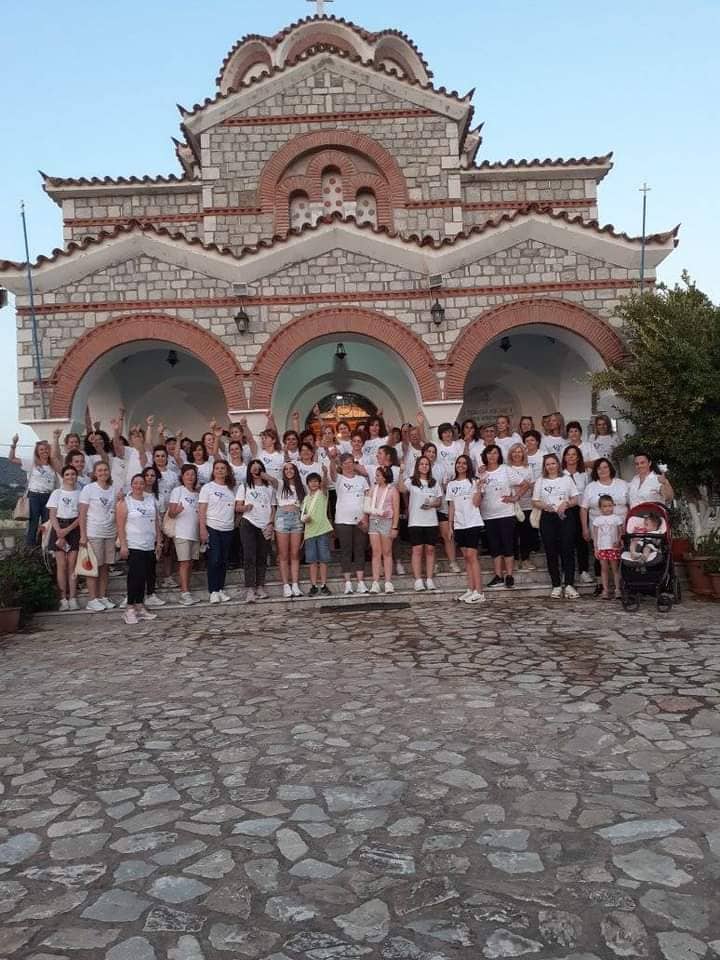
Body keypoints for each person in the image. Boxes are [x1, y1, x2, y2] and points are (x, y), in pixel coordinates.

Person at [478, 444, 530, 588]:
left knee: (508, 544)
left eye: (495, 453)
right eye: (489, 453)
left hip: (506, 514)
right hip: (488, 515)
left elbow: (525, 484)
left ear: (499, 455)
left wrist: (515, 497)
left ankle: (509, 575)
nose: (492, 456)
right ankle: (498, 575)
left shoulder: (506, 469)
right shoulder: (481, 472)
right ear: (485, 456)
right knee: (494, 546)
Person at [532, 453, 580, 599]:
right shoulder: (540, 481)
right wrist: (545, 506)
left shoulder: (566, 479)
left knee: (567, 549)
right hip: (548, 517)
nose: (551, 466)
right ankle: (556, 585)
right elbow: (535, 501)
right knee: (550, 550)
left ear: (558, 464)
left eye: (553, 463)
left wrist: (566, 504)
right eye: (547, 464)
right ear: (544, 467)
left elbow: (575, 498)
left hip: (565, 516)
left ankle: (569, 584)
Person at [117, 473, 161, 625]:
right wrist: (123, 545)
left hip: (149, 544)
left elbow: (156, 522)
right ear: (131, 485)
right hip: (134, 544)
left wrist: (159, 542)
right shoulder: (125, 502)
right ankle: (129, 608)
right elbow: (120, 526)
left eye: (141, 483)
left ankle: (140, 606)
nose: (138, 486)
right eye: (135, 483)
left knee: (144, 577)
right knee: (135, 577)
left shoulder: (150, 500)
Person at [581, 458, 630, 590]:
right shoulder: (591, 487)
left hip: (620, 529)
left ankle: (623, 585)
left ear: (610, 468)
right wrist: (585, 529)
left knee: (622, 557)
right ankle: (602, 585)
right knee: (600, 558)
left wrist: (629, 526)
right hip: (599, 530)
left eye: (605, 467)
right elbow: (584, 508)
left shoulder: (622, 484)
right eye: (599, 468)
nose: (602, 470)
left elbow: (630, 504)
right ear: (595, 471)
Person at [78, 461, 117, 612]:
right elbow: (82, 514)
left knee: (105, 566)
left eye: (105, 470)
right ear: (95, 473)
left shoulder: (113, 489)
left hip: (110, 532)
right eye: (100, 470)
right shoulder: (89, 489)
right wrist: (83, 535)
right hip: (94, 532)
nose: (103, 473)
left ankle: (102, 596)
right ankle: (92, 599)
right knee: (94, 566)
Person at [445, 454, 485, 604]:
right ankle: (470, 588)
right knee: (466, 557)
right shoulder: (451, 485)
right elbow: (451, 506)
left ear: (468, 466)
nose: (461, 465)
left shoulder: (474, 481)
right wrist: (450, 526)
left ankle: (479, 591)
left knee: (472, 556)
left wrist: (479, 489)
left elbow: (476, 503)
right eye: (458, 463)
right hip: (459, 524)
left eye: (464, 463)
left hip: (473, 522)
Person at [236, 458, 276, 602]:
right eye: (253, 468)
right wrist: (245, 508)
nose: (256, 470)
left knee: (262, 556)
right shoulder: (244, 486)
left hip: (265, 524)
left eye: (258, 468)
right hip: (249, 523)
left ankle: (260, 586)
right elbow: (237, 507)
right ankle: (250, 589)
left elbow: (273, 507)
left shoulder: (269, 488)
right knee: (249, 556)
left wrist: (271, 523)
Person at [400, 454, 442, 591]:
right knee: (417, 550)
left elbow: (439, 501)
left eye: (426, 464)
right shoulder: (411, 481)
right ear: (417, 466)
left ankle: (429, 579)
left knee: (430, 550)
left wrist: (432, 504)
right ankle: (418, 580)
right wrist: (401, 473)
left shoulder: (434, 482)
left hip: (431, 521)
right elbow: (401, 489)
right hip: (415, 521)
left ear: (430, 467)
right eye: (421, 464)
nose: (424, 466)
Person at [331, 452, 370, 594]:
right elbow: (332, 473)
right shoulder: (339, 479)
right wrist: (332, 459)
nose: (348, 465)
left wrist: (365, 518)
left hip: (360, 521)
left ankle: (360, 582)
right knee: (346, 550)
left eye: (350, 462)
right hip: (343, 520)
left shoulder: (362, 480)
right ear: (341, 465)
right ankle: (347, 582)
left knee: (360, 550)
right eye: (345, 463)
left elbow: (367, 499)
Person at [198, 460, 237, 603]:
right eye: (217, 468)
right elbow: (202, 509)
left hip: (228, 529)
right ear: (213, 471)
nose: (220, 470)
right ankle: (213, 591)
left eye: (223, 468)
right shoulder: (207, 488)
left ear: (227, 471)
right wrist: (202, 528)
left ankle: (220, 589)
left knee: (223, 560)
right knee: (214, 559)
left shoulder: (231, 489)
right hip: (212, 527)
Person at [9, 435, 57, 545]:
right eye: (41, 449)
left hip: (49, 496)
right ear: (37, 452)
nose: (44, 451)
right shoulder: (32, 463)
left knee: (47, 522)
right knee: (33, 522)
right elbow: (12, 459)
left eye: (46, 449)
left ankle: (43, 546)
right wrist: (14, 444)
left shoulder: (53, 465)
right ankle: (30, 547)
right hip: (34, 495)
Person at [422, 441, 459, 574]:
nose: (431, 454)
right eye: (429, 451)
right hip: (425, 508)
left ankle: (452, 562)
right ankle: (433, 564)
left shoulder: (441, 467)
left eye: (433, 452)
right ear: (423, 453)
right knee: (429, 538)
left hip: (441, 506)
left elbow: (445, 486)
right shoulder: (418, 467)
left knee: (447, 535)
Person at [47, 464, 81, 610]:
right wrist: (59, 531)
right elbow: (52, 514)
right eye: (67, 474)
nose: (70, 477)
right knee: (61, 565)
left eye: (73, 474)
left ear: (76, 476)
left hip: (74, 528)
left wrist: (68, 530)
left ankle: (73, 597)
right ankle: (63, 599)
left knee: (72, 565)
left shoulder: (80, 493)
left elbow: (81, 516)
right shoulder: (57, 493)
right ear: (63, 476)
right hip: (58, 527)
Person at [167, 464, 200, 605]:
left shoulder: (197, 494)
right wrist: (177, 511)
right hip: (182, 532)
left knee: (190, 563)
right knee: (184, 562)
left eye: (193, 474)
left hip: (195, 532)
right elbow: (171, 513)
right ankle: (184, 593)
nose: (190, 477)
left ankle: (187, 591)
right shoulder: (178, 490)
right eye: (187, 474)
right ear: (182, 476)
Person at [366, 465, 400, 594]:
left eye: (378, 475)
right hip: (374, 521)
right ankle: (375, 582)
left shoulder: (392, 490)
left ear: (385, 477)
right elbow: (366, 507)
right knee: (376, 552)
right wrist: (378, 512)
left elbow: (396, 510)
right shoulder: (372, 489)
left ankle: (388, 581)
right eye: (376, 475)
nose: (376, 477)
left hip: (387, 522)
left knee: (387, 552)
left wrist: (395, 527)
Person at [562, 444, 593, 585]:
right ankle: (566, 571)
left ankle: (583, 571)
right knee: (566, 541)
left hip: (581, 510)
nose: (571, 457)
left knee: (582, 541)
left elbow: (588, 493)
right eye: (568, 454)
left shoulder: (585, 474)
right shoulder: (560, 474)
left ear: (578, 457)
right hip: (566, 510)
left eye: (574, 454)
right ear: (564, 457)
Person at [274, 462, 306, 598]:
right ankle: (286, 585)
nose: (288, 471)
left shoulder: (301, 486)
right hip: (282, 517)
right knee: (283, 554)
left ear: (295, 470)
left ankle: (295, 584)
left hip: (297, 518)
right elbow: (270, 479)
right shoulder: (280, 484)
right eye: (286, 469)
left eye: (291, 468)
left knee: (295, 553)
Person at [301, 470, 333, 595]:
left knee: (324, 560)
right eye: (311, 482)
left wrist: (325, 473)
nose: (313, 484)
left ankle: (324, 584)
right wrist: (305, 518)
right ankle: (313, 585)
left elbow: (325, 485)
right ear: (307, 484)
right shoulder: (305, 498)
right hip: (309, 533)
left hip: (322, 530)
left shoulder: (322, 494)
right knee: (312, 561)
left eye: (316, 481)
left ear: (319, 483)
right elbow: (303, 514)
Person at [506, 443, 536, 572]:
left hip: (527, 504)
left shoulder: (528, 468)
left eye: (519, 452)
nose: (517, 454)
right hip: (511, 506)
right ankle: (514, 559)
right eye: (514, 452)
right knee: (512, 534)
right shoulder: (506, 468)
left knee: (526, 533)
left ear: (523, 454)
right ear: (510, 454)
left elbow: (532, 485)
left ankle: (525, 559)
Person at [592, 494, 624, 598]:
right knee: (604, 569)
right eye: (605, 506)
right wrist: (596, 548)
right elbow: (595, 535)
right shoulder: (597, 520)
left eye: (610, 505)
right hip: (602, 547)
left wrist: (619, 541)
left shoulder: (617, 518)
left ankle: (617, 589)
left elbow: (621, 532)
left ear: (613, 505)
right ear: (600, 508)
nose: (608, 508)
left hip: (613, 547)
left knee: (615, 569)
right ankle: (605, 589)